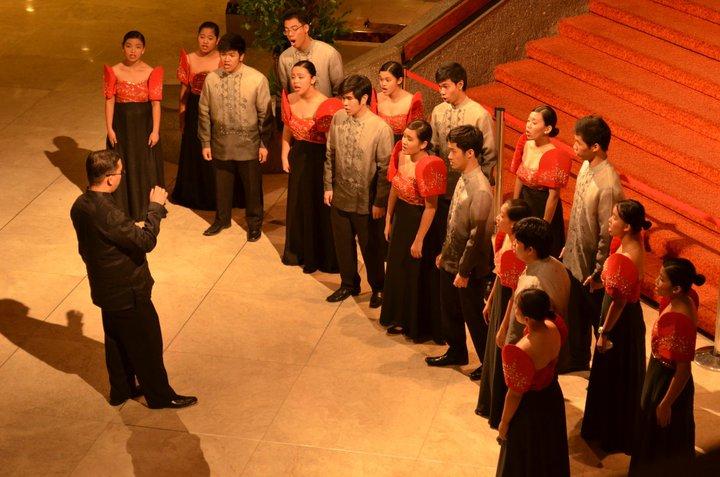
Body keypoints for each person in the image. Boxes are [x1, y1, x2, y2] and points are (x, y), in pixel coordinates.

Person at [70, 150, 197, 409]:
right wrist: (155, 209)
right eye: (120, 172)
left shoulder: (80, 205)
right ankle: (161, 396)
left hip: (105, 288)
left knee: (116, 340)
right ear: (108, 179)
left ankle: (122, 389)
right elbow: (145, 242)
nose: (121, 176)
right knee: (147, 344)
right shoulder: (109, 213)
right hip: (128, 290)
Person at [581, 199, 651, 455]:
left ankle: (611, 432)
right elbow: (619, 284)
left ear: (628, 226)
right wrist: (600, 282)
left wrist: (604, 332)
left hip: (620, 324)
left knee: (615, 377)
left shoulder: (628, 256)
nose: (610, 221)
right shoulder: (627, 245)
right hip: (624, 317)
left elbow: (619, 302)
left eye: (614, 217)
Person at [425, 125, 493, 378]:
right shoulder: (463, 178)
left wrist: (464, 271)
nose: (449, 156)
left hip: (469, 268)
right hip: (452, 259)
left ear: (471, 153)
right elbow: (454, 221)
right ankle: (456, 350)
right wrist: (445, 252)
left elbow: (478, 238)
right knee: (449, 308)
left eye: (453, 151)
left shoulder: (481, 189)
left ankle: (488, 361)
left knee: (473, 316)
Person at [324, 74, 393, 306]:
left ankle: (379, 288)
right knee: (343, 244)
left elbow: (385, 170)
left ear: (364, 99)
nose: (344, 104)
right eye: (343, 98)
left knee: (370, 248)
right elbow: (330, 154)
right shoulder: (338, 119)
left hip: (366, 200)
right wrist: (327, 186)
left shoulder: (380, 128)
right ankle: (348, 284)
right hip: (340, 195)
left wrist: (380, 203)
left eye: (349, 99)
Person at [562, 115, 624, 372]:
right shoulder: (587, 166)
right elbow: (578, 213)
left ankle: (603, 370)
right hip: (576, 256)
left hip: (592, 268)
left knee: (595, 318)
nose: (574, 147)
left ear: (595, 146)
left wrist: (598, 272)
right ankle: (577, 359)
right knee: (574, 314)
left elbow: (606, 234)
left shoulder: (607, 184)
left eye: (578, 143)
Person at [630, 258, 703, 474]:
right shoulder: (686, 298)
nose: (656, 281)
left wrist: (665, 403)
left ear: (677, 288)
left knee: (659, 440)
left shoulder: (677, 320)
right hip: (660, 371)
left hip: (666, 381)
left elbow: (683, 370)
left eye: (662, 279)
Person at [198, 33, 273, 241]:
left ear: (242, 56)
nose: (226, 60)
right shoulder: (212, 79)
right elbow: (203, 111)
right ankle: (222, 219)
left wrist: (264, 144)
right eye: (223, 55)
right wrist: (205, 142)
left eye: (231, 55)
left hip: (249, 144)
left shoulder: (257, 79)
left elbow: (265, 115)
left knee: (252, 188)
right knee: (222, 185)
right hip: (220, 143)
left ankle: (254, 224)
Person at [380, 120, 446, 342]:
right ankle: (398, 316)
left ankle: (415, 323)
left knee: (416, 274)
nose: (404, 141)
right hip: (402, 219)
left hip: (421, 223)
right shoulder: (401, 155)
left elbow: (431, 206)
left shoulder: (429, 165)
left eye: (410, 138)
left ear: (424, 143)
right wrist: (389, 219)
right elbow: (395, 188)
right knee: (398, 269)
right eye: (404, 136)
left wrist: (419, 240)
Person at [496, 288, 570, 477]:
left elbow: (514, 393)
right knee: (548, 453)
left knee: (526, 459)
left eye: (517, 309)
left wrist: (504, 423)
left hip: (530, 410)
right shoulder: (555, 326)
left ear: (526, 318)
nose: (515, 311)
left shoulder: (522, 350)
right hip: (552, 396)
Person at [280, 60, 341, 273]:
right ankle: (298, 252)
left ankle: (320, 257)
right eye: (293, 76)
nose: (295, 81)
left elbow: (332, 144)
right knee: (298, 204)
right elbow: (287, 129)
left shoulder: (325, 104)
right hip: (298, 157)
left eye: (301, 77)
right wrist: (284, 153)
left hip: (319, 160)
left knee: (317, 208)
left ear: (313, 79)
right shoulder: (289, 99)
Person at [476, 198, 531, 427]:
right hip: (500, 298)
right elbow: (500, 277)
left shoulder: (518, 249)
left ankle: (501, 409)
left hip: (510, 305)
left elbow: (513, 292)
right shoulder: (505, 241)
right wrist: (489, 301)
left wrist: (503, 324)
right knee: (493, 348)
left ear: (515, 222)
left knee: (503, 345)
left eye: (502, 215)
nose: (497, 218)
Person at [172, 21, 233, 211]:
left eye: (210, 38)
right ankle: (194, 194)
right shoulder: (189, 58)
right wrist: (182, 116)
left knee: (215, 153)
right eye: (202, 37)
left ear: (217, 40)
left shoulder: (223, 60)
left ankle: (217, 195)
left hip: (217, 111)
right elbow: (185, 92)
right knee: (194, 151)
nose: (205, 42)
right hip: (194, 110)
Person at [103, 30, 164, 221]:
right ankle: (124, 206)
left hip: (144, 126)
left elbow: (155, 104)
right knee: (123, 162)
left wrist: (155, 131)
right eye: (129, 46)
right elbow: (110, 101)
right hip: (122, 126)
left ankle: (147, 206)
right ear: (123, 47)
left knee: (144, 163)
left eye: (137, 47)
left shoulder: (150, 71)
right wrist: (109, 128)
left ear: (143, 50)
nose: (133, 51)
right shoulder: (114, 71)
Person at [497, 217, 570, 348]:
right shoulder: (556, 264)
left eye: (517, 242)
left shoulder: (532, 285)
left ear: (530, 250)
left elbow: (523, 324)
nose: (513, 244)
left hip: (532, 345)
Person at [510, 106, 572, 258]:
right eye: (528, 121)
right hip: (525, 200)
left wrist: (544, 226)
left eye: (534, 122)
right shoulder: (526, 143)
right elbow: (520, 175)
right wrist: (515, 204)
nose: (528, 125)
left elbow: (553, 196)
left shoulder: (554, 155)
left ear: (547, 128)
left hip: (542, 204)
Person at [278, 8, 343, 98]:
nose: (290, 34)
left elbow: (340, 92)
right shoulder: (284, 58)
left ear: (306, 28)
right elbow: (286, 93)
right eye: (287, 30)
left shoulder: (329, 53)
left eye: (294, 29)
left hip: (326, 109)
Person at [376, 61, 424, 143]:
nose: (383, 84)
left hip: (403, 146)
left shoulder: (410, 101)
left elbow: (419, 134)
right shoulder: (377, 98)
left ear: (399, 80)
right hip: (380, 144)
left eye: (387, 80)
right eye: (381, 79)